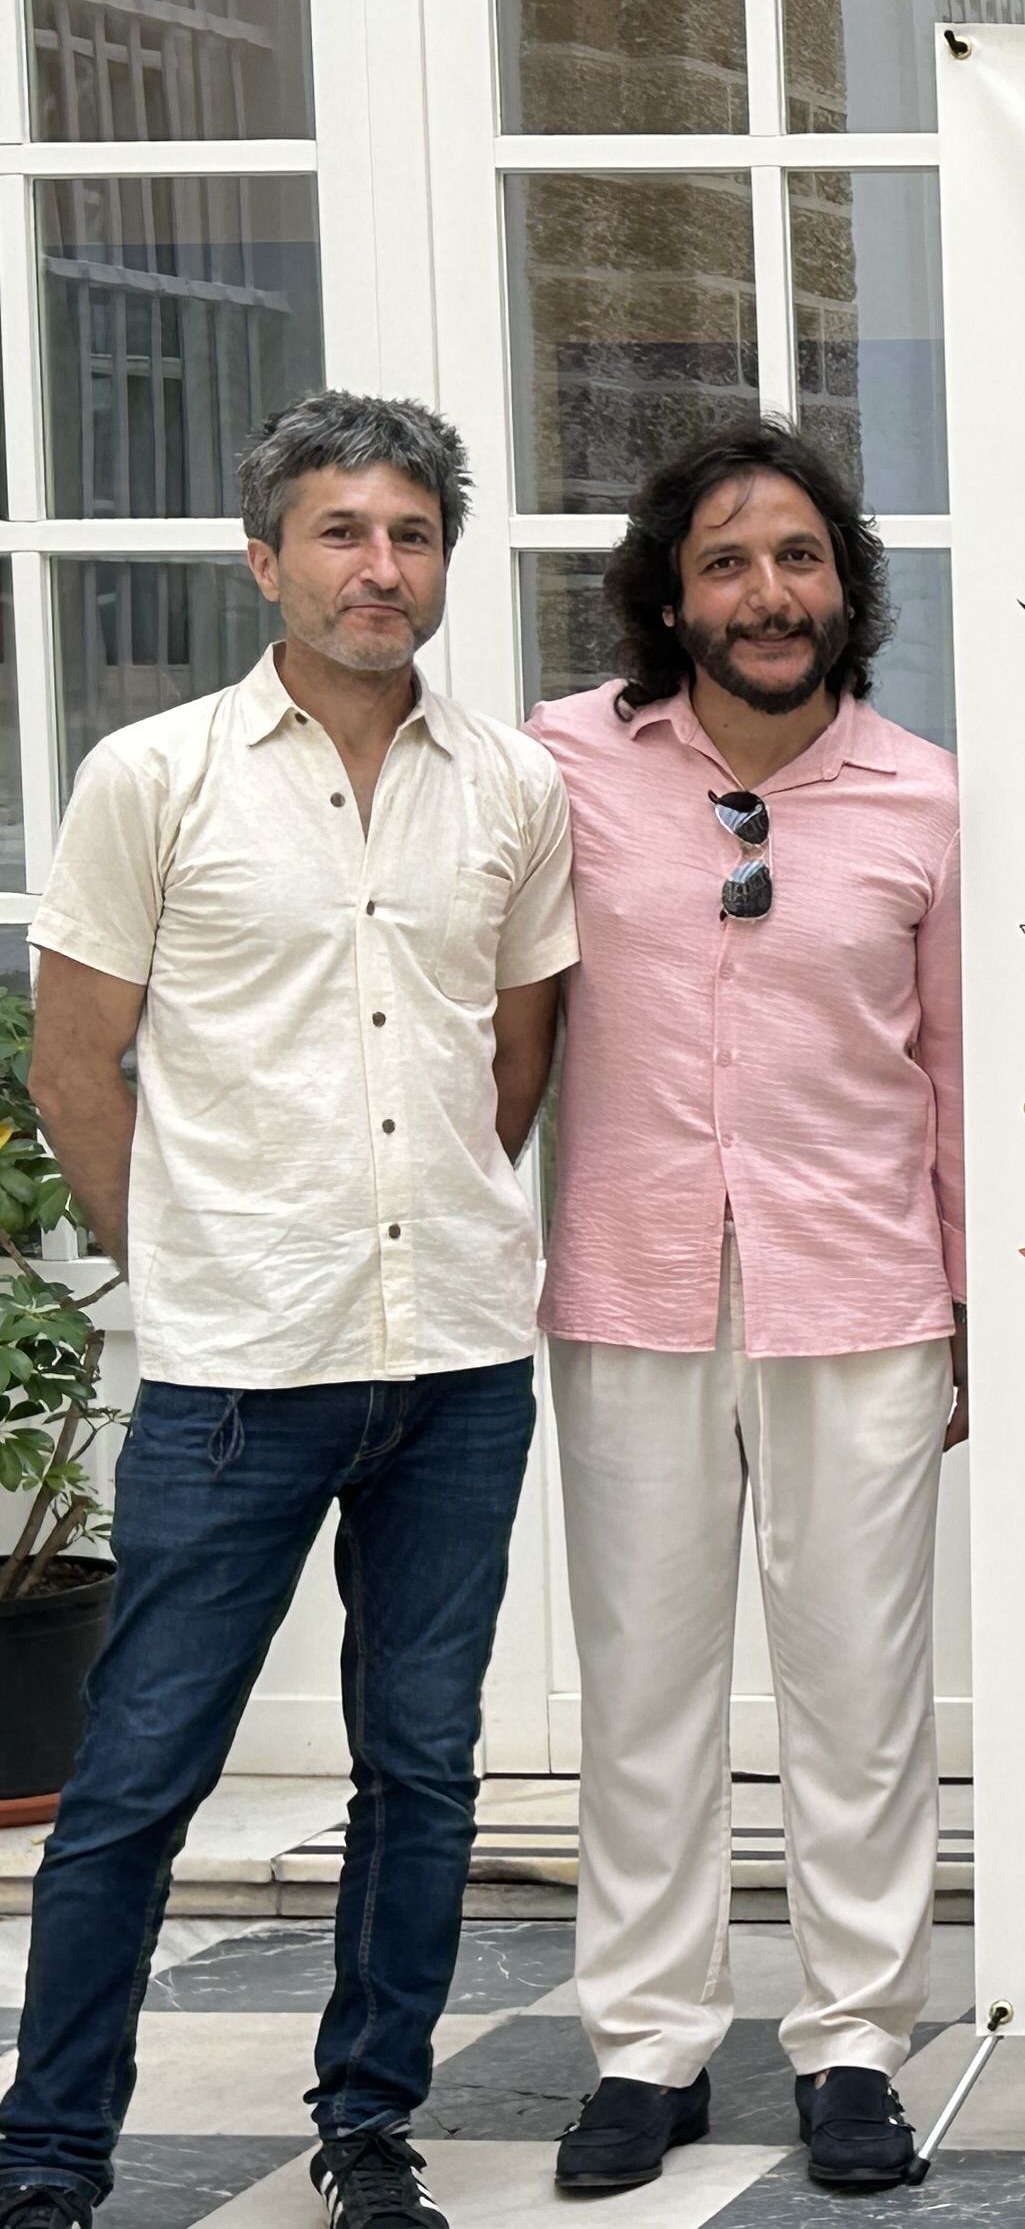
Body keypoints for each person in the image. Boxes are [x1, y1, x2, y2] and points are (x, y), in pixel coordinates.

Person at [0, 395, 575, 2229]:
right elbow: (76, 1059)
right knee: (142, 1770)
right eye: (340, 533)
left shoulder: (512, 787)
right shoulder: (153, 776)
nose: (377, 568)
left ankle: (370, 2128)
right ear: (268, 560)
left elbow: (520, 1043)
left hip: (461, 1362)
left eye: (408, 535)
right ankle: (50, 2150)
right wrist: (179, 1258)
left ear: (441, 564)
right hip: (241, 1364)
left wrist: (423, 1221)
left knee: (422, 1765)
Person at [524, 421, 964, 2195]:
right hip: (631, 1285)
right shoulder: (561, 765)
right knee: (645, 1688)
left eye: (797, 556)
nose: (767, 592)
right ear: (668, 596)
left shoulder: (928, 798)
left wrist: (975, 1317)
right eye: (725, 561)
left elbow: (958, 1071)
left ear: (845, 585)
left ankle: (856, 2041)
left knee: (862, 1694)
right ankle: (647, 2044)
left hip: (862, 1291)